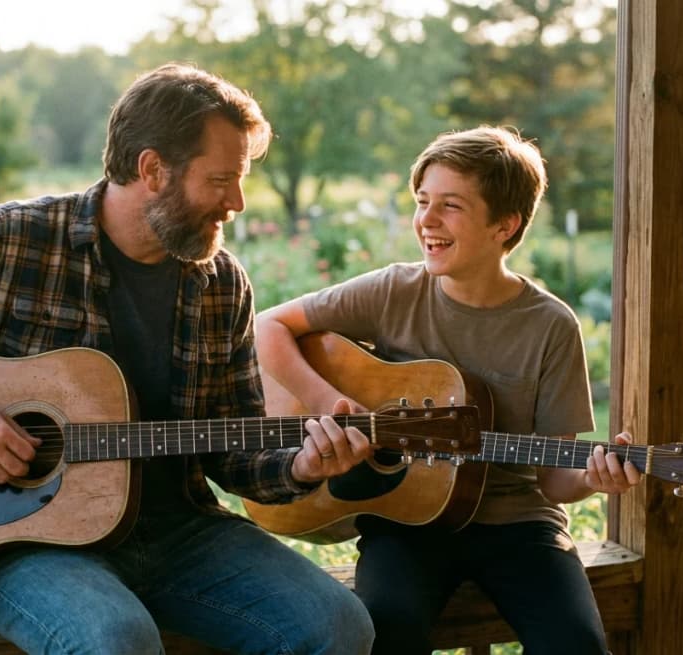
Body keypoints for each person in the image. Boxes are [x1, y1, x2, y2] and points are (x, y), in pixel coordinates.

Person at [0, 63, 374, 655]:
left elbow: (236, 454)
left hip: (178, 530)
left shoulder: (220, 283)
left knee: (339, 626)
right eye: (221, 179)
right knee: (115, 640)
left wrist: (301, 467)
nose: (236, 202)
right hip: (15, 539)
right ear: (152, 169)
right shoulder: (15, 240)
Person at [255, 126, 642, 655]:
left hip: (518, 525)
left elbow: (555, 481)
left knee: (575, 644)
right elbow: (269, 327)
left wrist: (597, 478)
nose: (427, 221)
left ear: (504, 225)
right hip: (407, 523)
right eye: (422, 201)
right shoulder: (394, 290)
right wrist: (328, 403)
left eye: (451, 206)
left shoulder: (550, 325)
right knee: (384, 631)